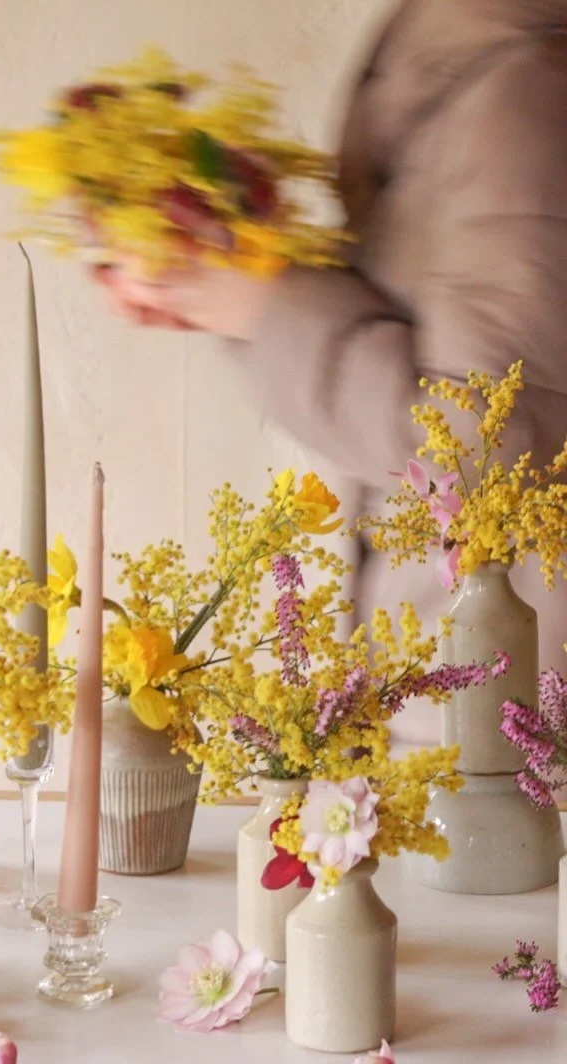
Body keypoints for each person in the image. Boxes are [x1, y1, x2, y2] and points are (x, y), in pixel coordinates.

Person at [94, 0, 567, 746]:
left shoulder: (519, 90)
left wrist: (261, 302)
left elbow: (482, 444)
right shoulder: (457, 59)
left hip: (493, 728)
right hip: (445, 692)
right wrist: (238, 268)